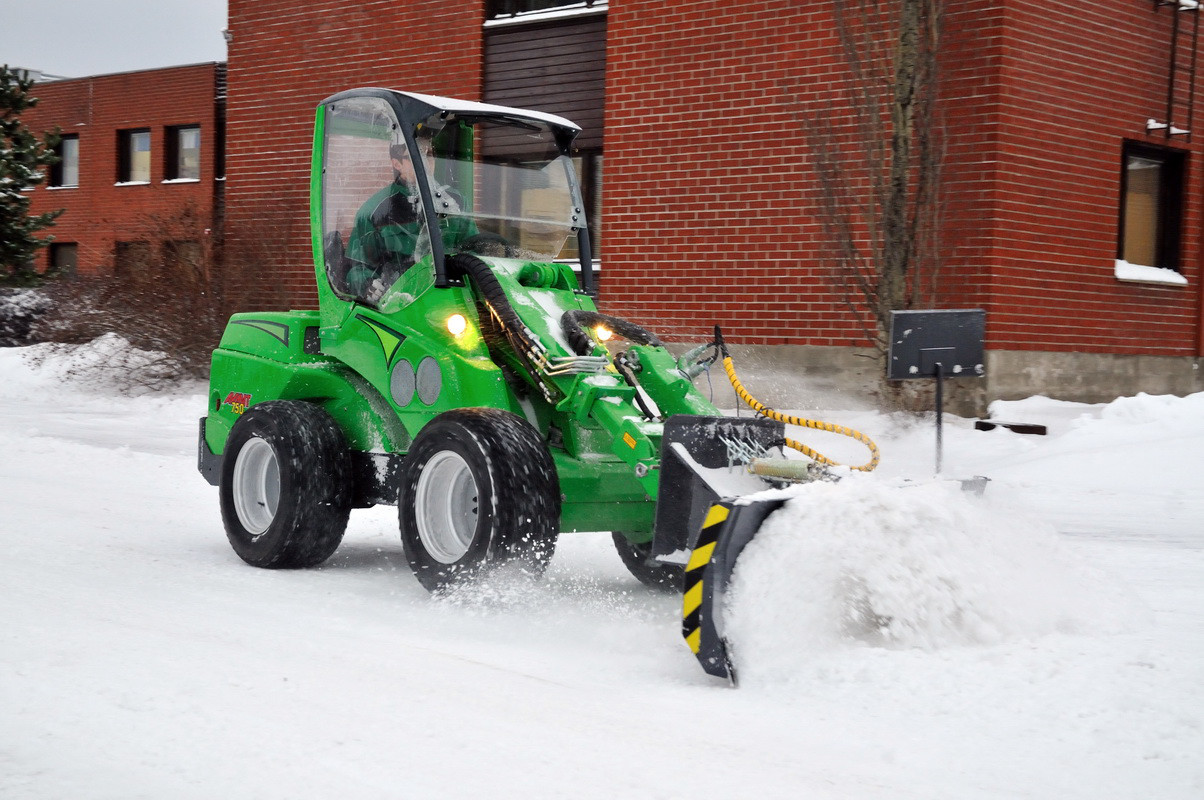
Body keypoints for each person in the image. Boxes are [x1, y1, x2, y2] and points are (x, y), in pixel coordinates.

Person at [344, 142, 429, 302]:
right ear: (397, 164)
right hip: (400, 303)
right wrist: (367, 283)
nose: (426, 161)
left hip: (450, 300)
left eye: (429, 154)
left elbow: (474, 251)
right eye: (414, 157)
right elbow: (356, 269)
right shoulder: (375, 211)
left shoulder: (454, 204)